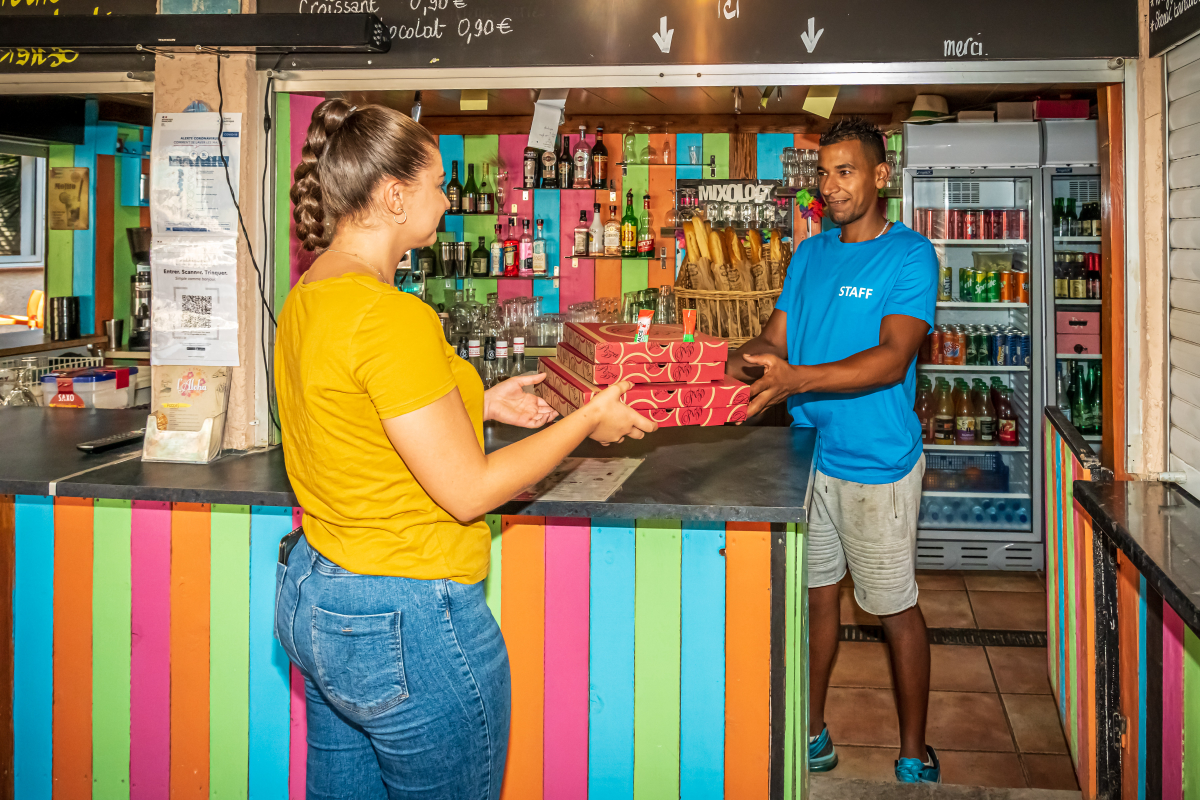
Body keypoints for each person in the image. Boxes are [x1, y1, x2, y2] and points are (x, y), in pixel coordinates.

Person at [274, 99, 656, 800]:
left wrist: (477, 401)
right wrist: (584, 421)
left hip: (316, 594)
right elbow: (469, 491)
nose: (449, 200)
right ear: (393, 196)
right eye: (437, 184)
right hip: (405, 618)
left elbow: (351, 408)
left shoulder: (311, 293)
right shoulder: (391, 315)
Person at [727, 117, 940, 783]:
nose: (830, 186)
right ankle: (812, 731)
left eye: (845, 171)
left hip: (878, 464)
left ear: (881, 176)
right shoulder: (811, 254)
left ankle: (912, 750)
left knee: (891, 607)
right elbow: (775, 345)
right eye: (823, 173)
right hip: (807, 457)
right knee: (817, 598)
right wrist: (731, 357)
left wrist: (795, 378)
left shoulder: (910, 256)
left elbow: (889, 360)